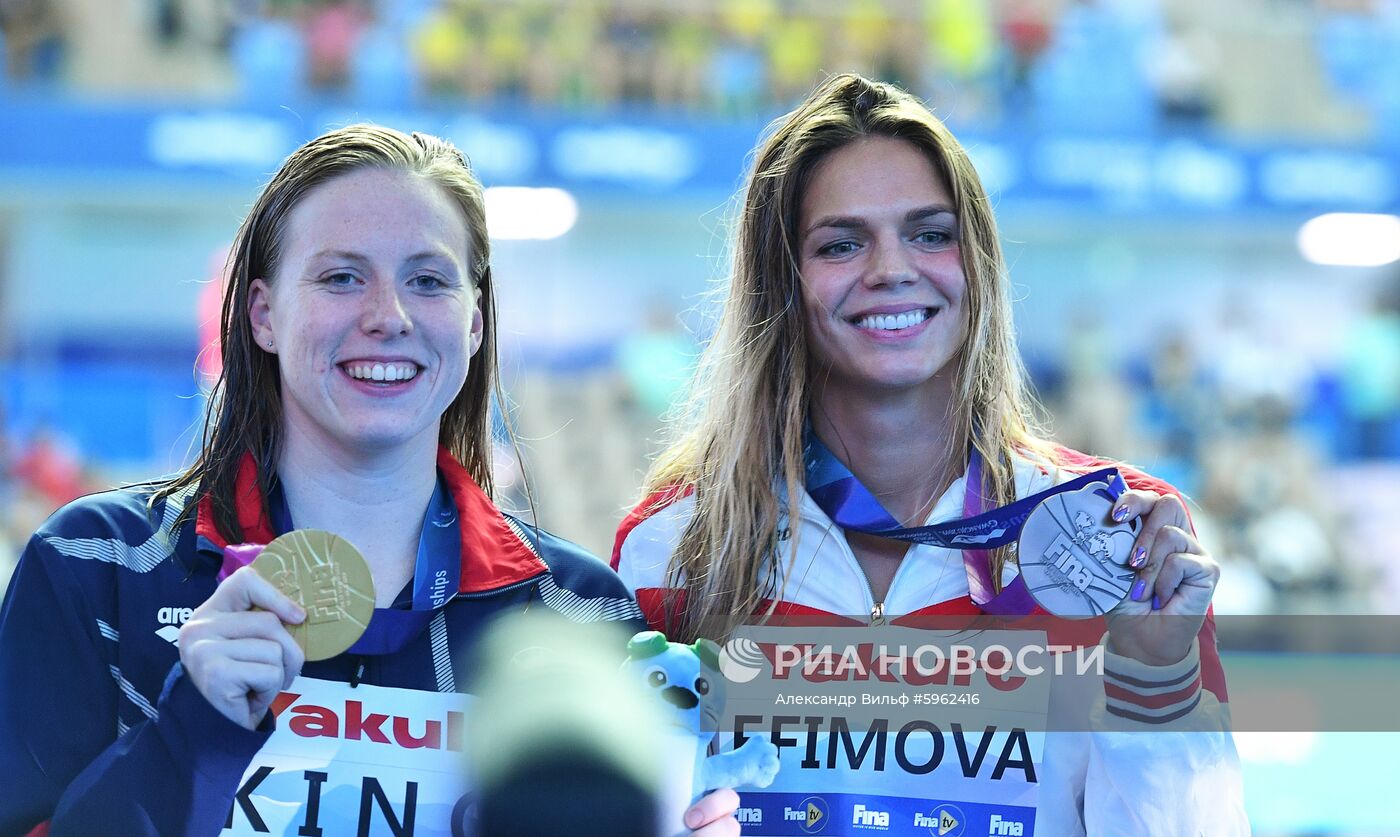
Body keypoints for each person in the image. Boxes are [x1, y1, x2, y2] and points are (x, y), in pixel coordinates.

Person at [0, 125, 738, 836]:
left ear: (474, 322)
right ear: (262, 312)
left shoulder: (582, 618)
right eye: (342, 277)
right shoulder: (98, 570)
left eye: (427, 279)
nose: (388, 316)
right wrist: (195, 729)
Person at [613, 74, 1247, 835]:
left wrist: (1155, 679)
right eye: (841, 243)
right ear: (782, 283)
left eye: (930, 232)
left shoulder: (1112, 541)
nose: (892, 269)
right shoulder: (675, 546)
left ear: (976, 263)